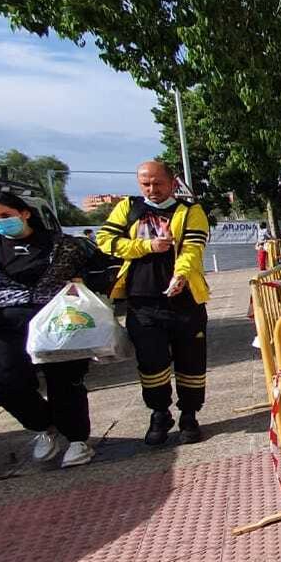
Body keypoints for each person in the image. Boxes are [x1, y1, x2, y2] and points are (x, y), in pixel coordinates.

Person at [0, 185, 104, 467]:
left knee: (66, 383)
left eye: (5, 214)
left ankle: (76, 439)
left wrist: (84, 282)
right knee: (3, 382)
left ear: (24, 214)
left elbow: (97, 267)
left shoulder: (62, 245)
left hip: (59, 322)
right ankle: (43, 426)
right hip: (8, 322)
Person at [96, 160, 211, 445]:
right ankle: (159, 413)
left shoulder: (189, 211)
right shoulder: (128, 208)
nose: (152, 189)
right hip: (142, 301)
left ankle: (189, 414)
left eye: (157, 183)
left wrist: (182, 274)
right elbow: (105, 240)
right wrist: (147, 246)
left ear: (172, 183)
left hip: (185, 302)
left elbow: (193, 248)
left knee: (191, 362)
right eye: (145, 183)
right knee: (151, 363)